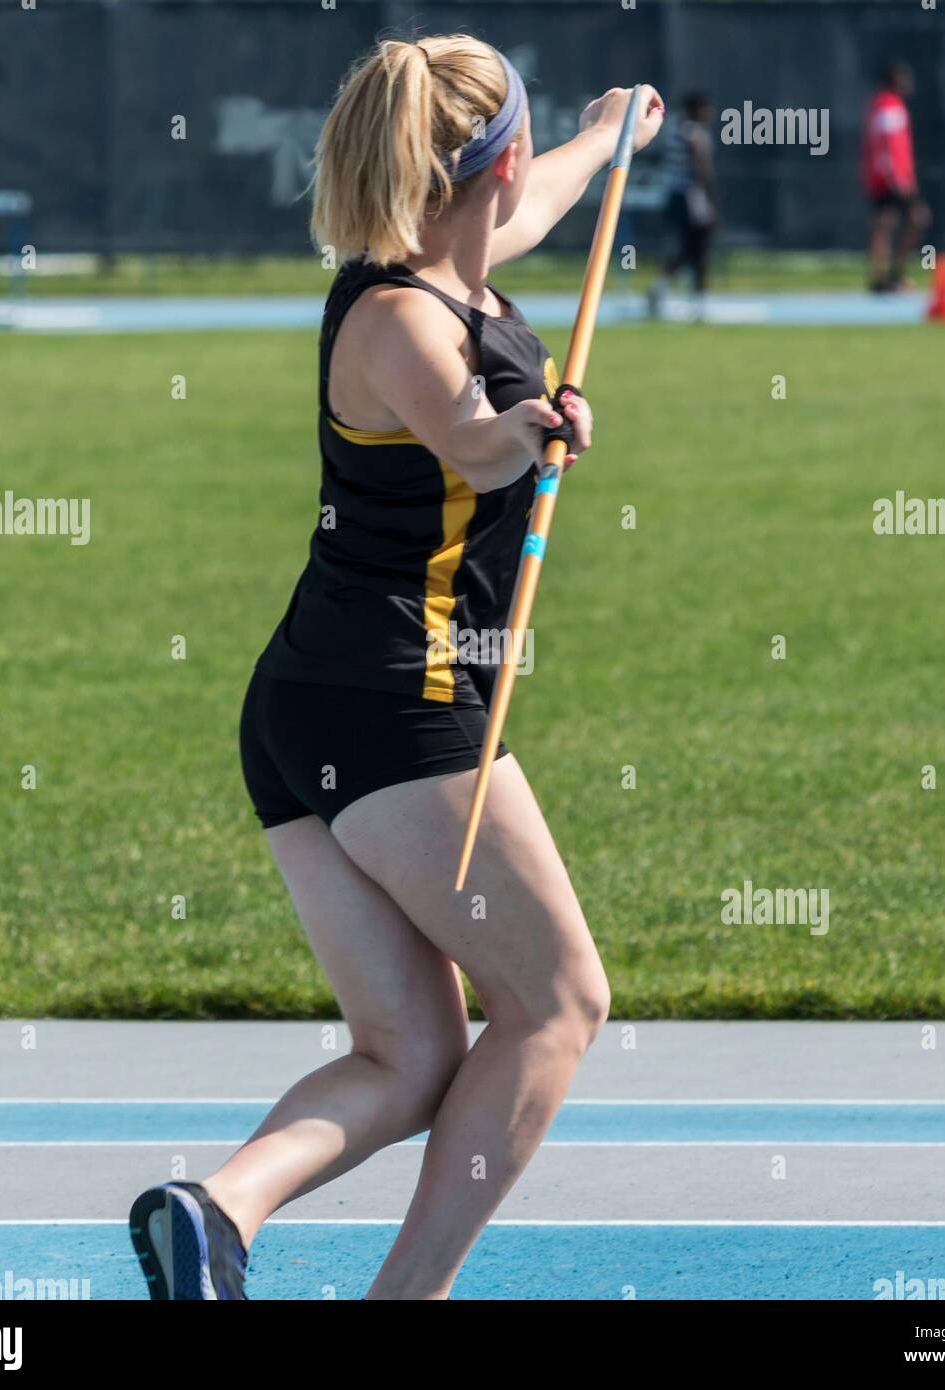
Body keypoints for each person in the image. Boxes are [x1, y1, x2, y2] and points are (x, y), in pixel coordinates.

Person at [128, 36, 663, 1301]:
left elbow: (529, 206)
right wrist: (527, 430)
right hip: (395, 703)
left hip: (315, 701)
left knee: (413, 1049)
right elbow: (473, 445)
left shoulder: (436, 262)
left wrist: (607, 136)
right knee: (559, 1002)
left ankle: (212, 1212)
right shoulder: (403, 322)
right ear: (494, 154)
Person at [861, 59, 931, 292]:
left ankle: (885, 277)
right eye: (903, 77)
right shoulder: (889, 106)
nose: (908, 82)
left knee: (885, 224)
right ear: (894, 80)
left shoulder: (884, 105)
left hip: (886, 176)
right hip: (891, 178)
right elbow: (886, 146)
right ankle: (890, 275)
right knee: (914, 219)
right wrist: (896, 179)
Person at [650, 91, 718, 320]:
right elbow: (700, 170)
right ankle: (699, 303)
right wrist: (710, 201)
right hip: (691, 197)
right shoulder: (694, 134)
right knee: (699, 251)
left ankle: (661, 287)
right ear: (696, 110)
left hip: (675, 197)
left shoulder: (674, 132)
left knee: (688, 250)